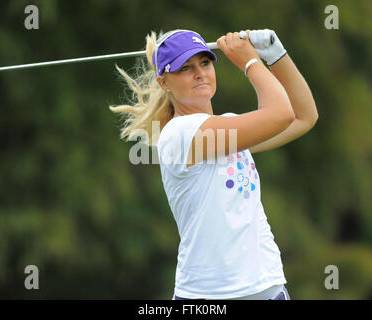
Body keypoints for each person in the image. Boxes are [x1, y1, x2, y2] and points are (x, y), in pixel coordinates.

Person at [110, 28, 318, 300]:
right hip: (208, 297)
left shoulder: (227, 129)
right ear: (164, 83)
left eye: (205, 63)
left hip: (267, 289)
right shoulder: (180, 134)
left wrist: (276, 55)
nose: (199, 73)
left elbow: (304, 116)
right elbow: (281, 114)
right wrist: (251, 62)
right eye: (185, 68)